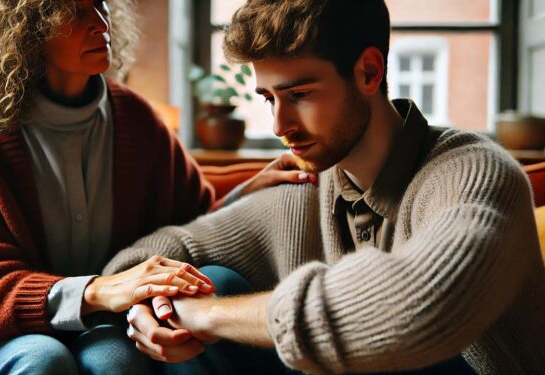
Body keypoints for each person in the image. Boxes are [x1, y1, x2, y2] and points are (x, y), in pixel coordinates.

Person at [104, 0, 545, 373]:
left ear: (369, 72)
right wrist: (151, 305)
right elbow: (150, 255)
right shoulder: (306, 186)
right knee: (208, 280)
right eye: (268, 98)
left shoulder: (474, 172)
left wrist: (208, 316)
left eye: (299, 95)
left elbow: (417, 306)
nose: (280, 125)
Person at [0, 0, 313, 374]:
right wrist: (99, 290)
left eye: (100, 5)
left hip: (103, 326)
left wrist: (245, 194)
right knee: (43, 360)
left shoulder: (137, 118)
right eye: (73, 11)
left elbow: (188, 224)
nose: (99, 22)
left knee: (115, 362)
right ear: (25, 30)